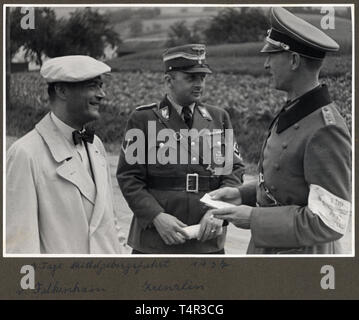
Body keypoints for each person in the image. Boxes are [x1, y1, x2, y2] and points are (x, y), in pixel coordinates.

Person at [209, 7, 352, 254]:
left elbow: (329, 221)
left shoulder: (326, 130)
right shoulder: (295, 109)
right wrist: (241, 195)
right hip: (272, 251)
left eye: (271, 55)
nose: (265, 64)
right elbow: (286, 185)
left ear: (294, 60)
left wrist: (254, 218)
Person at [117, 44, 245, 254]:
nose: (199, 84)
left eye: (202, 78)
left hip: (206, 239)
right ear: (169, 81)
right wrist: (156, 216)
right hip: (155, 240)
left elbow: (233, 172)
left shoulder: (218, 118)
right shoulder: (144, 119)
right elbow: (129, 178)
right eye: (191, 78)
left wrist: (216, 212)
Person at [6, 55, 124, 254]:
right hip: (61, 282)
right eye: (93, 86)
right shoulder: (25, 153)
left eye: (101, 86)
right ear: (62, 91)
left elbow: (109, 222)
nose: (101, 94)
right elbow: (20, 245)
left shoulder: (96, 144)